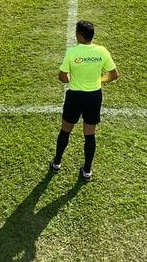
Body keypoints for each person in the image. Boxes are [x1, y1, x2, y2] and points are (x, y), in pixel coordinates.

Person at [50, 20, 119, 182]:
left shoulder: (72, 52)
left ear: (79, 35)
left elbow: (61, 77)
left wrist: (73, 80)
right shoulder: (102, 51)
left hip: (75, 96)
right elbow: (114, 74)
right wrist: (98, 81)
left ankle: (56, 163)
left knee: (65, 131)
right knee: (90, 134)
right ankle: (87, 170)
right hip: (94, 96)